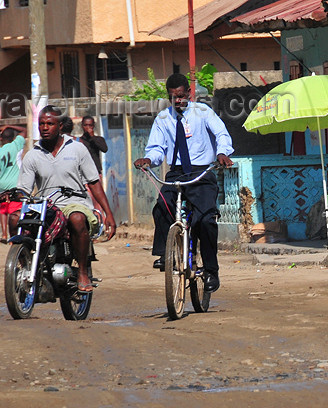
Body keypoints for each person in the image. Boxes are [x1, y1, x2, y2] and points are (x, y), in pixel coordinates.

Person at [134, 73, 234, 293]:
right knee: (162, 207)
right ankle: (165, 255)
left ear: (188, 92)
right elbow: (157, 148)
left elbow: (221, 134)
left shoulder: (203, 112)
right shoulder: (163, 119)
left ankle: (211, 271)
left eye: (180, 96)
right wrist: (148, 159)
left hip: (202, 172)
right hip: (176, 174)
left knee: (206, 220)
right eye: (172, 97)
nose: (177, 101)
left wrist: (222, 153)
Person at [13, 105, 117, 293]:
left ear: (60, 126)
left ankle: (83, 272)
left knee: (77, 219)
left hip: (74, 202)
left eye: (50, 124)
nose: (45, 127)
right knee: (14, 218)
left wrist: (108, 213)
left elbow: (94, 183)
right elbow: (24, 190)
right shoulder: (33, 155)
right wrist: (17, 194)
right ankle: (26, 265)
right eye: (42, 123)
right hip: (46, 205)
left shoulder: (78, 149)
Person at [0, 124, 26, 243]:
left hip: (3, 184)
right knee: (16, 211)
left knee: (4, 210)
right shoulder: (17, 145)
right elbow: (24, 130)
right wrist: (9, 126)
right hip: (16, 184)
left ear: (1, 139)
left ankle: (4, 234)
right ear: (13, 137)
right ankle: (15, 234)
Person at [80, 115, 109, 213]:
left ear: (94, 126)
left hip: (95, 174)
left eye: (90, 125)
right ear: (82, 126)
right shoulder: (79, 141)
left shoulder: (98, 139)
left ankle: (101, 222)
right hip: (82, 175)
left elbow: (104, 149)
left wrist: (92, 137)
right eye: (86, 125)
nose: (88, 128)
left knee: (97, 201)